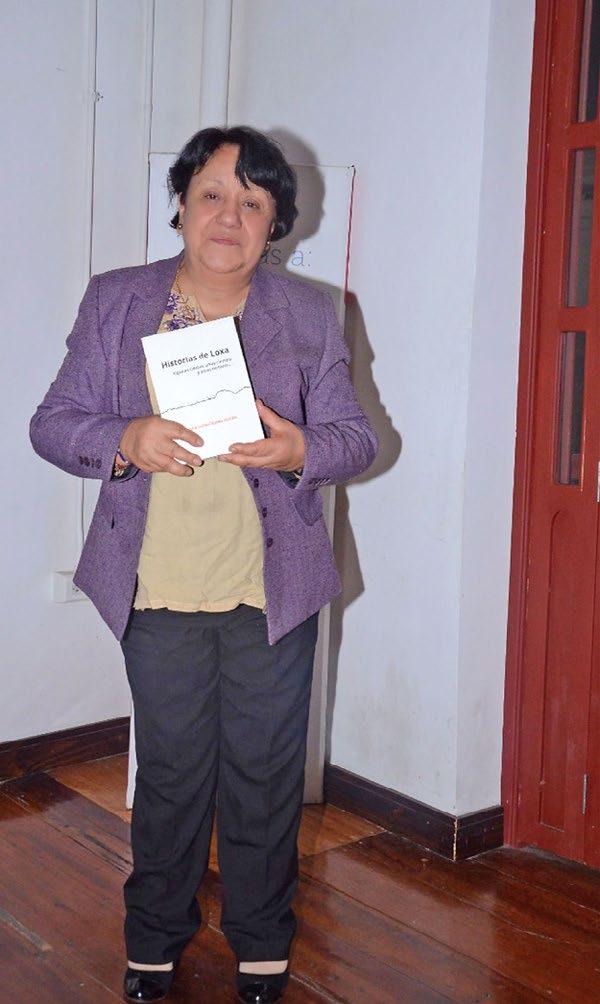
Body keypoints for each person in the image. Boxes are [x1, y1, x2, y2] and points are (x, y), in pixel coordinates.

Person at [30, 125, 378, 1004]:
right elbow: (53, 422)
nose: (230, 216)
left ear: (276, 223)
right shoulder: (119, 300)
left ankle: (262, 946)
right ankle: (154, 943)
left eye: (253, 202)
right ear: (182, 205)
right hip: (157, 586)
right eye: (213, 194)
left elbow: (355, 439)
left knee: (265, 779)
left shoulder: (307, 313)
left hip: (272, 588)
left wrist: (301, 449)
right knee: (172, 778)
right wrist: (124, 436)